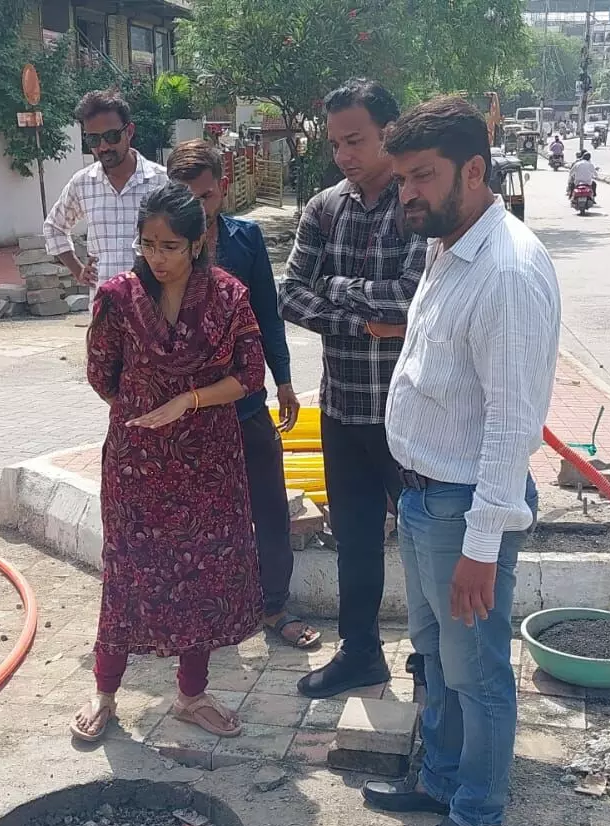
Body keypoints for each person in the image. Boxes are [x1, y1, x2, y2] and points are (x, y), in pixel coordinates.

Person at [365, 96, 558, 826]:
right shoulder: (448, 243)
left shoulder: (506, 271)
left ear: (473, 171)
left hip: (462, 507)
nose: (406, 192)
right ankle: (438, 780)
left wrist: (482, 544)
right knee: (433, 654)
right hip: (419, 496)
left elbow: (515, 423)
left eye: (422, 177)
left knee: (476, 669)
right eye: (401, 177)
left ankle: (477, 817)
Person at [72, 183, 267, 742]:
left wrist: (185, 402)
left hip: (208, 462)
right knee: (128, 569)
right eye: (148, 244)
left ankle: (190, 695)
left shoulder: (229, 297)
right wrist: (142, 412)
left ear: (199, 241)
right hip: (138, 464)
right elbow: (100, 374)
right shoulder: (116, 297)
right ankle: (105, 690)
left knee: (200, 575)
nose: (157, 257)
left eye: (170, 246)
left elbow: (249, 376)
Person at [281, 79, 428, 699]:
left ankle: (433, 659)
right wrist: (366, 320)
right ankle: (360, 652)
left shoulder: (418, 203)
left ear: (388, 135)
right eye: (335, 142)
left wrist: (338, 288)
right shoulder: (323, 208)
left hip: (412, 412)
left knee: (426, 543)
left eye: (355, 140)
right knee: (356, 540)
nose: (343, 154)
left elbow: (418, 297)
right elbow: (289, 293)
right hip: (342, 405)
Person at [166, 140, 319, 651]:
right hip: (190, 413)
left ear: (222, 188)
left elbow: (268, 317)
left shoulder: (246, 240)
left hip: (248, 404)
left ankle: (274, 607)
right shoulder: (158, 250)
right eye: (186, 198)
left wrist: (284, 380)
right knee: (196, 517)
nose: (198, 208)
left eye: (205, 196)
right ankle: (203, 613)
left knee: (270, 509)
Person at [44, 90, 171, 290]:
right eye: (93, 139)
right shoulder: (83, 183)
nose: (103, 147)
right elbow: (53, 227)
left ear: (129, 131)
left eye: (111, 136)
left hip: (153, 306)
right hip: (104, 310)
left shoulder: (161, 182)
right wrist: (78, 270)